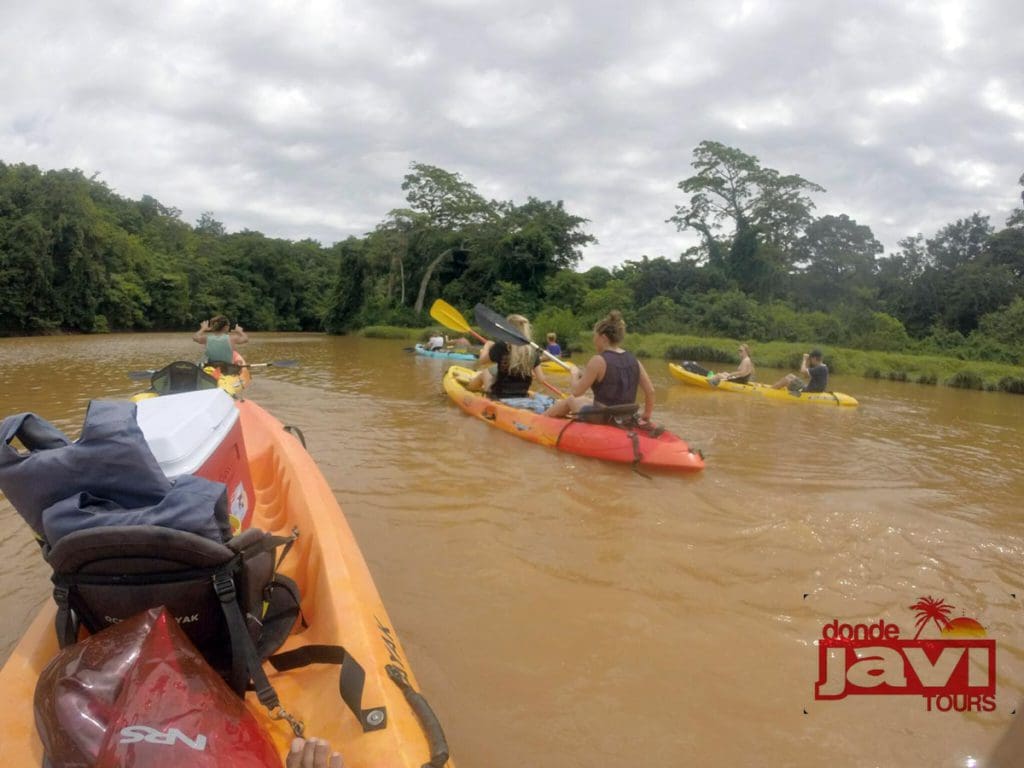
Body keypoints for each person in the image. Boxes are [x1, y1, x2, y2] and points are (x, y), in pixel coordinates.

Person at [543, 310, 655, 422]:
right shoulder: (635, 361)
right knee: (585, 400)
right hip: (627, 417)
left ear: (604, 338)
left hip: (602, 418)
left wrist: (574, 374)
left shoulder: (598, 361)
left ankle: (542, 419)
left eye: (595, 336)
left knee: (571, 400)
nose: (593, 340)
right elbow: (650, 391)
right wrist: (646, 415)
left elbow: (576, 392)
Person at [465, 314, 550, 397]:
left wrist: (487, 346)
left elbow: (482, 361)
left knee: (485, 372)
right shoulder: (532, 351)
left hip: (499, 396)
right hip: (522, 395)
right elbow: (541, 379)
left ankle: (467, 390)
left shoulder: (501, 346)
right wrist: (528, 369)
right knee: (492, 372)